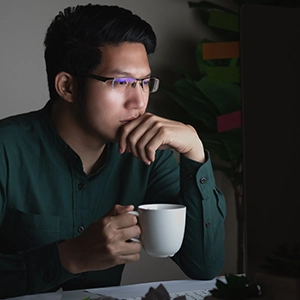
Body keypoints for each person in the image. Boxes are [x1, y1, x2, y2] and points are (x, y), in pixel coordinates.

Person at [0, 4, 226, 298]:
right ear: (67, 86)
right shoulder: (7, 150)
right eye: (121, 82)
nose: (138, 102)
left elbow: (203, 265)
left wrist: (195, 151)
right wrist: (69, 257)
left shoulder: (148, 155)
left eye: (144, 83)